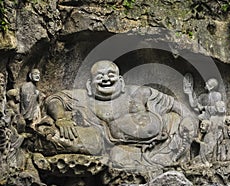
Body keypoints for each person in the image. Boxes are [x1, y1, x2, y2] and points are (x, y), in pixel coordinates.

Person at [42, 60, 198, 169]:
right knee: (57, 137)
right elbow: (54, 99)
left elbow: (176, 106)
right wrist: (61, 119)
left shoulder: (139, 92)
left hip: (163, 138)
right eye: (99, 76)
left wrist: (188, 119)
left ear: (121, 80)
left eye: (111, 75)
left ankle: (168, 159)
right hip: (119, 147)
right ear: (90, 85)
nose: (106, 79)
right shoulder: (85, 98)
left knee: (183, 124)